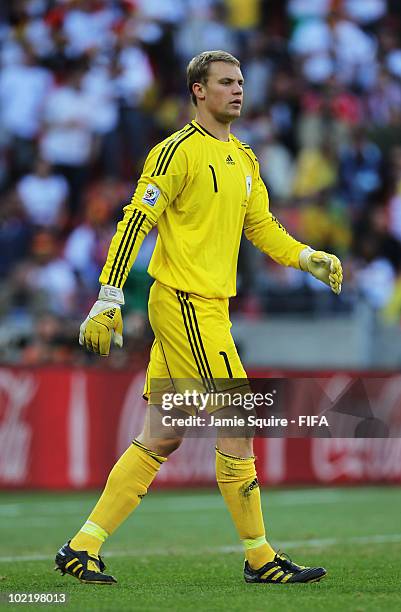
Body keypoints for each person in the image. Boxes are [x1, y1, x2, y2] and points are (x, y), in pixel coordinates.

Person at [55, 50, 342, 585]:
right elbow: (136, 220)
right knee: (238, 420)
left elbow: (262, 227)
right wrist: (108, 296)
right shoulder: (175, 153)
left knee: (162, 435)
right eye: (226, 82)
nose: (238, 90)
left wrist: (306, 256)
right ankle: (260, 559)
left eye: (241, 81)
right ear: (198, 92)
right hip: (185, 303)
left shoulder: (244, 158)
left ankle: (82, 546)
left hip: (206, 308)